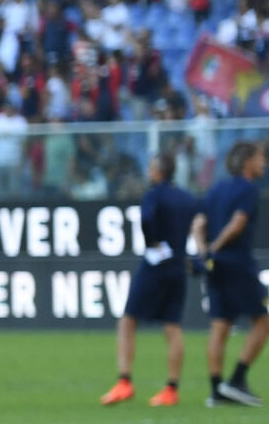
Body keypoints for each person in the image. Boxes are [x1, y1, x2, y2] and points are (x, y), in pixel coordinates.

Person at [104, 153, 202, 407]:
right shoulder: (187, 198)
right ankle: (171, 388)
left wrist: (151, 242)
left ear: (158, 170)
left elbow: (147, 219)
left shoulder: (154, 195)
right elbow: (200, 222)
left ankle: (124, 382)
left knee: (128, 321)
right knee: (173, 326)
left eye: (150, 166)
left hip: (155, 265)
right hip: (178, 265)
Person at [198, 141, 266, 406]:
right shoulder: (248, 188)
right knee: (263, 320)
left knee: (220, 325)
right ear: (247, 162)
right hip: (238, 263)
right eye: (260, 158)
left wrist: (205, 252)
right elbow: (237, 225)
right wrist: (215, 247)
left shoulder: (216, 189)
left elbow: (199, 223)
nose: (264, 163)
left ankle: (216, 390)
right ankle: (237, 380)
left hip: (216, 267)